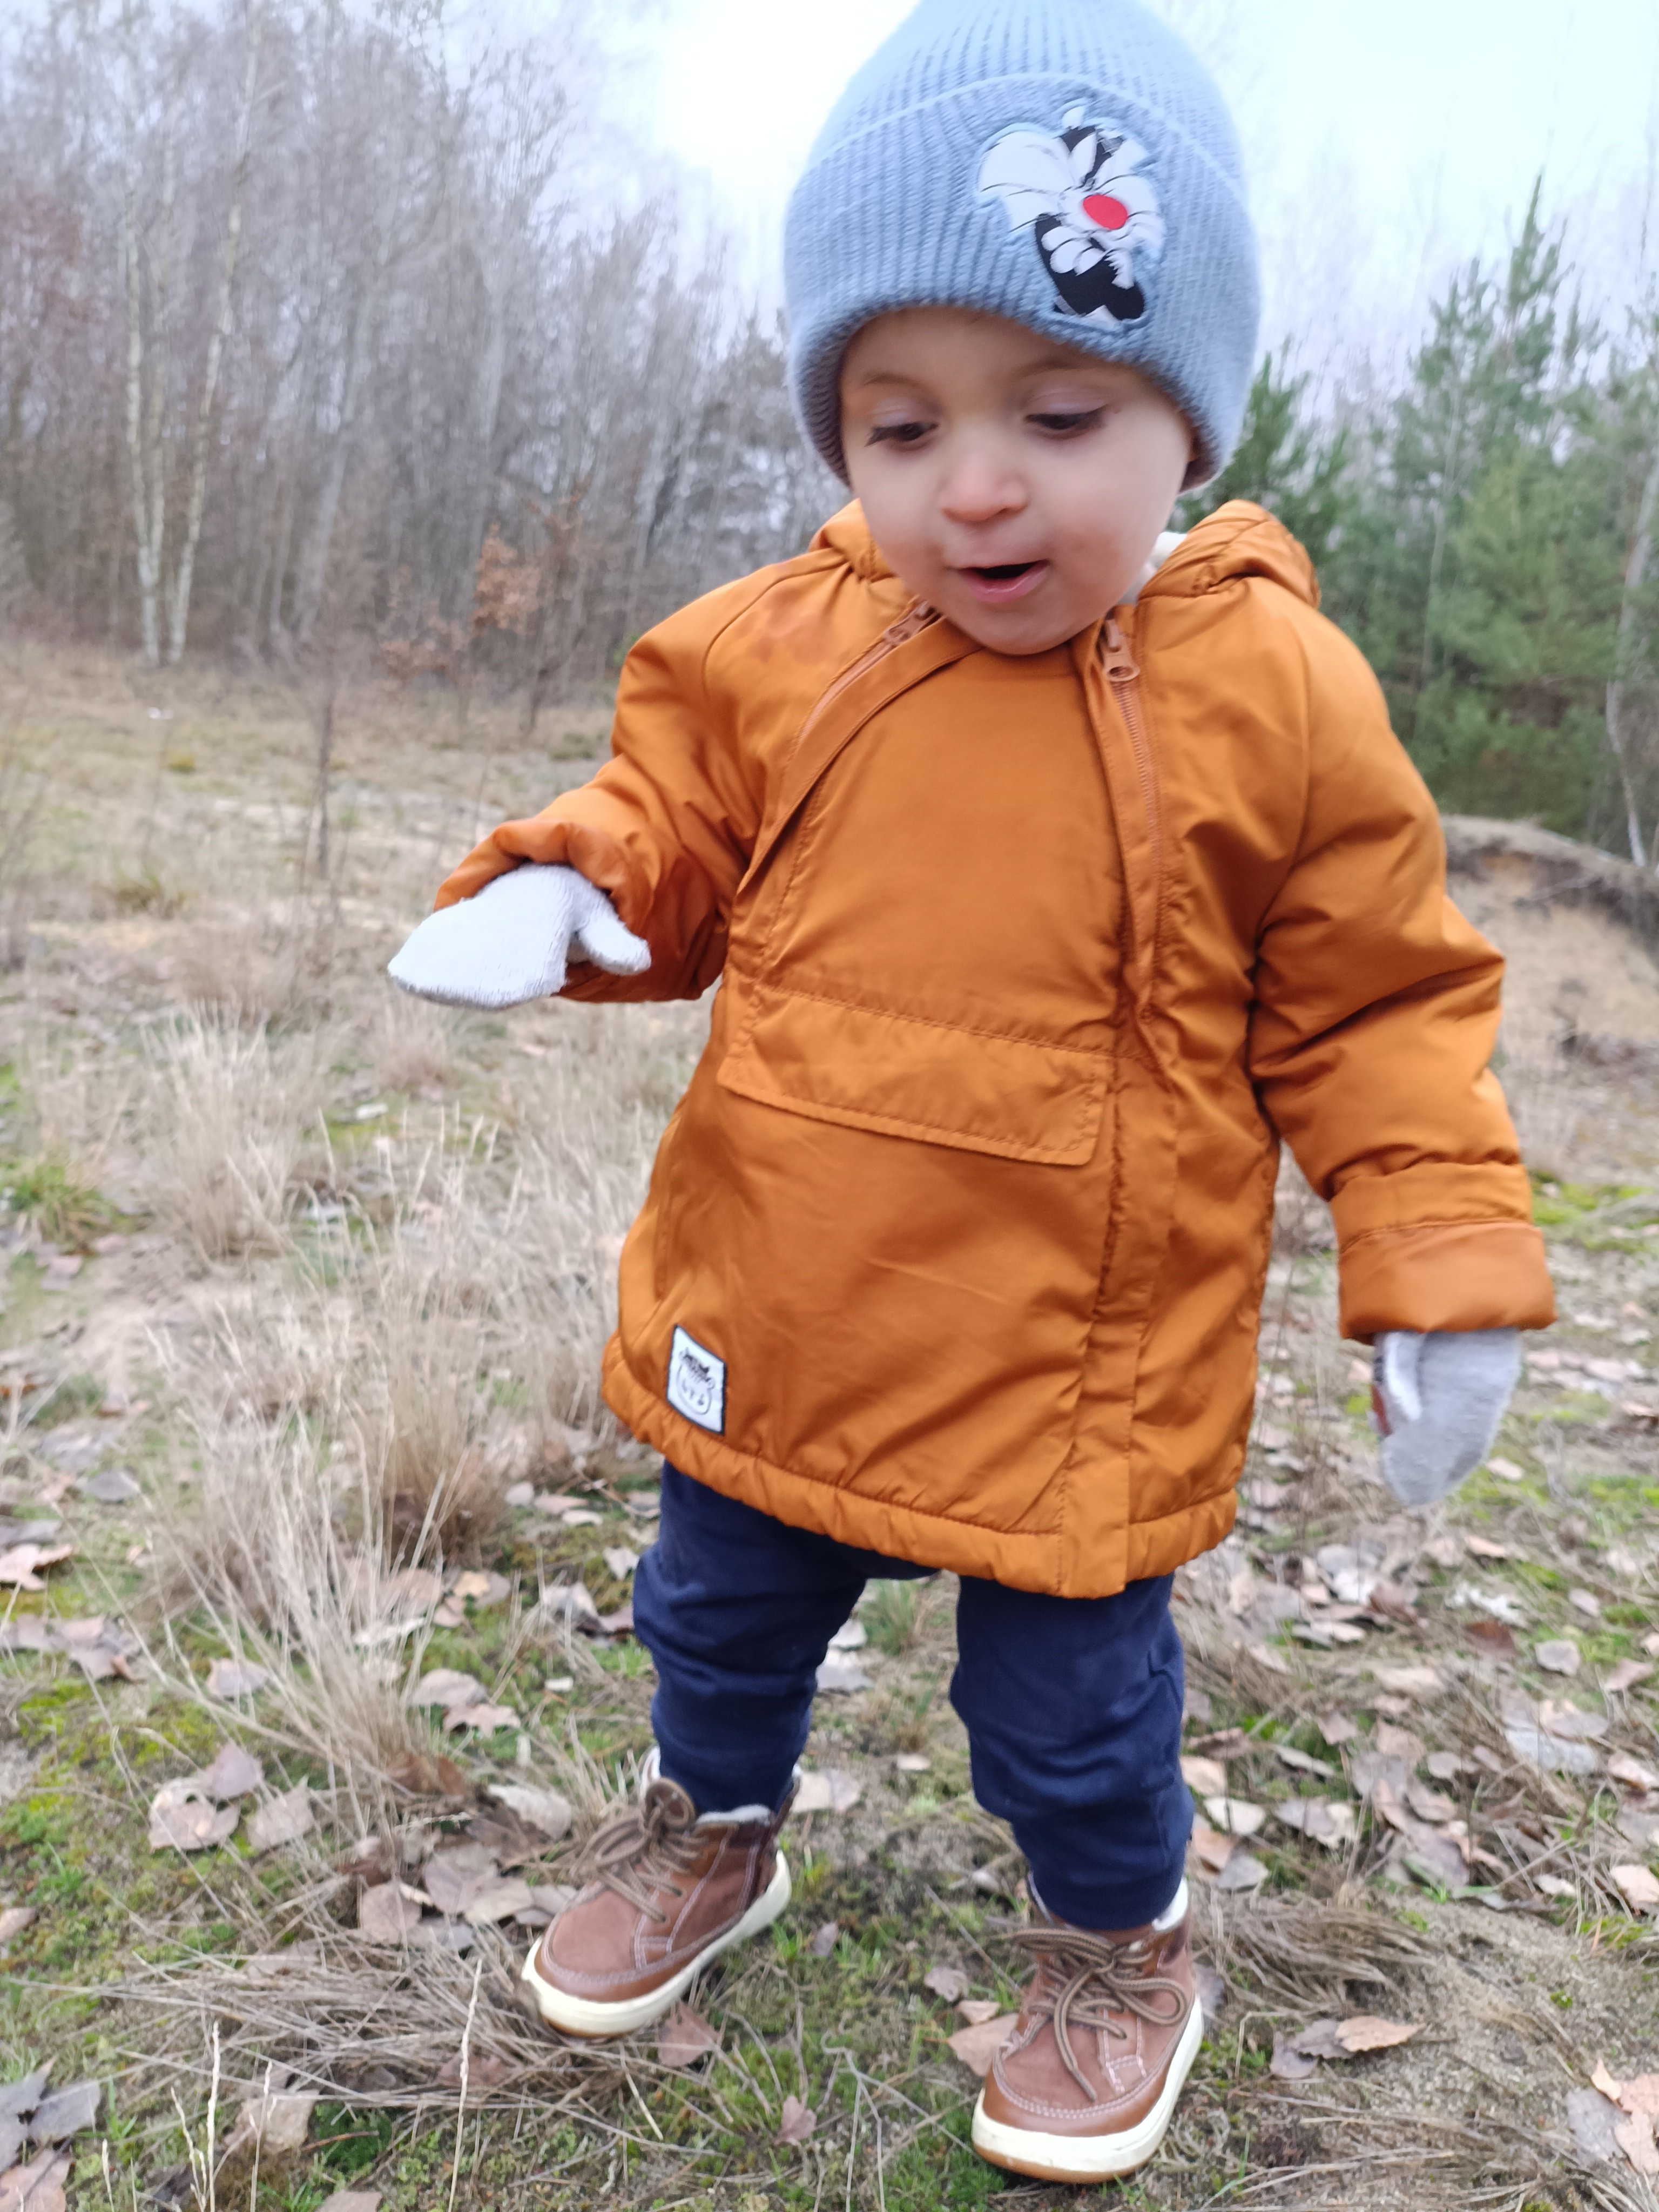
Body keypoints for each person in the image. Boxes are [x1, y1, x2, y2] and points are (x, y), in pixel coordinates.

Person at [388, 0, 1555, 2180]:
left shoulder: (1276, 698)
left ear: (1187, 413)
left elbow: (1381, 1005)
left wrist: (1443, 1258)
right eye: (901, 425)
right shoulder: (786, 643)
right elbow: (672, 819)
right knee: (709, 1615)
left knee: (1070, 1712)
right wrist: (568, 889)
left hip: (1073, 1354)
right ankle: (716, 1825)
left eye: (1059, 409)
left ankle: (1120, 1943)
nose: (977, 483)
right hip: (786, 1294)